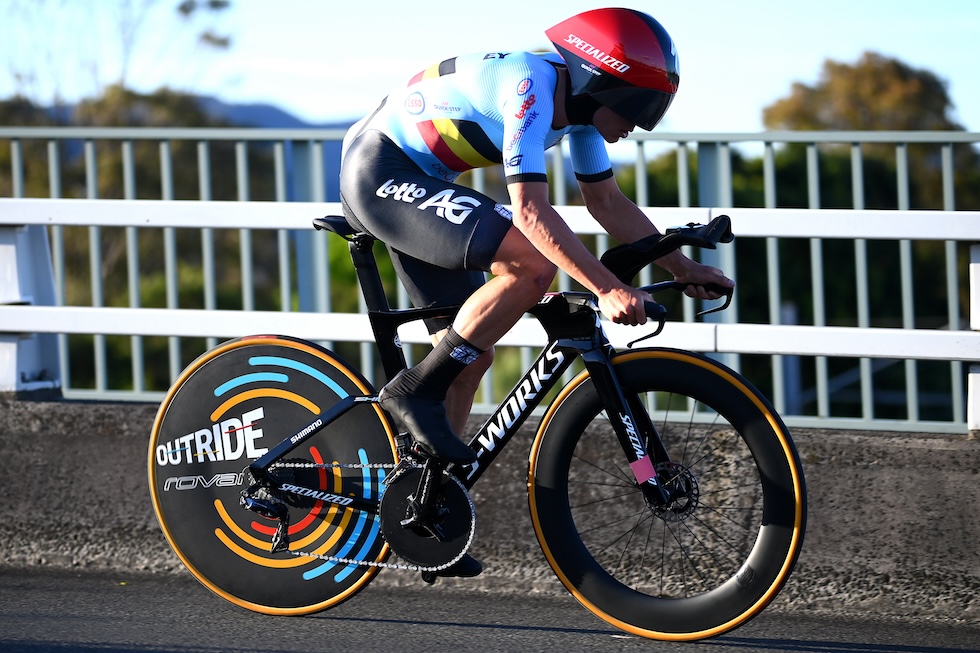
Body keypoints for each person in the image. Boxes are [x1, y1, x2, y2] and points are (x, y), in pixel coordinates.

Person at [339, 8, 734, 576]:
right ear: (600, 78)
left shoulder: (577, 117)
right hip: (380, 171)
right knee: (528, 266)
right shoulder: (531, 82)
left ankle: (424, 513)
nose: (639, 124)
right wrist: (605, 287)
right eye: (635, 105)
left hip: (420, 182)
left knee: (469, 358)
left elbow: (607, 204)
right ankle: (411, 392)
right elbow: (528, 209)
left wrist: (681, 263)